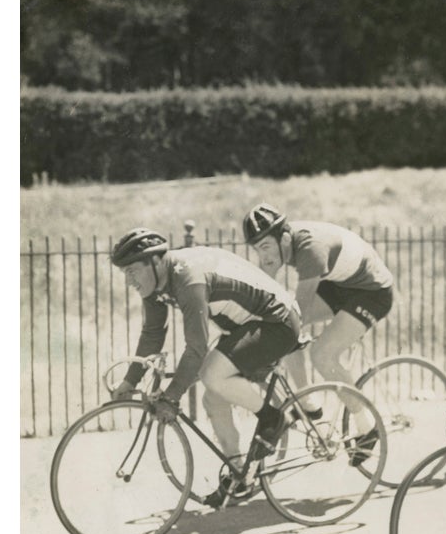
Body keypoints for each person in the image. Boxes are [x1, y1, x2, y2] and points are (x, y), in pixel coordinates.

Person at [108, 227, 303, 506]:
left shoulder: (188, 280)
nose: (129, 281)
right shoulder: (156, 283)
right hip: (246, 325)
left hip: (278, 321)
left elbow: (196, 348)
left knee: (211, 373)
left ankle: (273, 418)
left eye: (132, 271)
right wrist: (130, 381)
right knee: (213, 397)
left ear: (155, 262)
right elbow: (153, 334)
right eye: (124, 274)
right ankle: (241, 475)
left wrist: (171, 395)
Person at [242, 203, 395, 453]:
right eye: (257, 250)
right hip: (341, 283)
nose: (264, 257)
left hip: (372, 292)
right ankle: (308, 402)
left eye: (266, 247)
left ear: (284, 237)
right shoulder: (286, 244)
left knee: (320, 354)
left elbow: (298, 313)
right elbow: (266, 296)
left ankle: (367, 425)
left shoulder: (310, 250)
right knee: (283, 320)